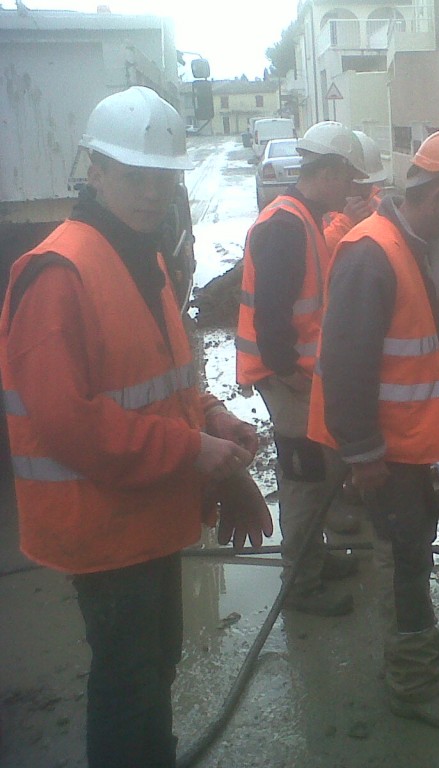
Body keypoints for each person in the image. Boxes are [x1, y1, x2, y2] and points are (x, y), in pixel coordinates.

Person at [0, 86, 270, 768]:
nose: (152, 194)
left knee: (155, 675)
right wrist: (194, 452)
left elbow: (167, 378)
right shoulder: (57, 274)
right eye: (135, 177)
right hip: (102, 531)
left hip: (149, 517)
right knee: (128, 685)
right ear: (96, 172)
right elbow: (70, 426)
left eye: (163, 179)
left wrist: (211, 419)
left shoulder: (144, 257)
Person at [308, 129, 439, 731]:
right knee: (405, 552)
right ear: (438, 194)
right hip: (380, 447)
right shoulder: (372, 252)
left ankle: (421, 635)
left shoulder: (425, 248)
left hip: (410, 440)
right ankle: (413, 679)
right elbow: (343, 362)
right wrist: (363, 454)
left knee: (417, 543)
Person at [236, 121, 369, 616]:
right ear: (329, 172)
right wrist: (287, 369)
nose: (353, 188)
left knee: (320, 469)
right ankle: (301, 585)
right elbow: (271, 312)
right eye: (348, 177)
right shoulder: (286, 224)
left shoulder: (304, 217)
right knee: (305, 477)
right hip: (286, 374)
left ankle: (313, 560)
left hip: (297, 372)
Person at [322, 129, 389, 253]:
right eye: (358, 184)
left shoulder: (379, 207)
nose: (365, 191)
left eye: (368, 185)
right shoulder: (321, 207)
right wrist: (346, 221)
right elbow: (318, 250)